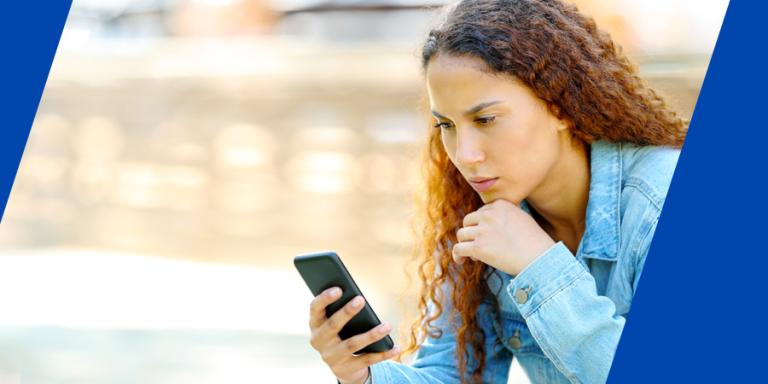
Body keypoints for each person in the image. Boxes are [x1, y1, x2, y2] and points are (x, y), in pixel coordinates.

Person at [307, 0, 687, 383]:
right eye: (447, 126)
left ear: (559, 105)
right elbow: (454, 375)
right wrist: (363, 376)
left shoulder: (662, 200)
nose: (465, 155)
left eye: (485, 119)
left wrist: (540, 268)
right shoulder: (483, 219)